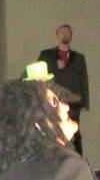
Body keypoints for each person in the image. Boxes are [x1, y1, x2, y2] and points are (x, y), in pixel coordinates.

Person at [37, 23, 89, 155]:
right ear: (57, 36)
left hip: (73, 103)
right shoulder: (46, 55)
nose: (65, 35)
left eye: (67, 33)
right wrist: (56, 67)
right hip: (52, 102)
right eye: (62, 33)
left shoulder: (79, 58)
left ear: (71, 36)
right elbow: (38, 74)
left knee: (74, 134)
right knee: (53, 133)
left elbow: (83, 80)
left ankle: (77, 160)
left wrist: (85, 102)